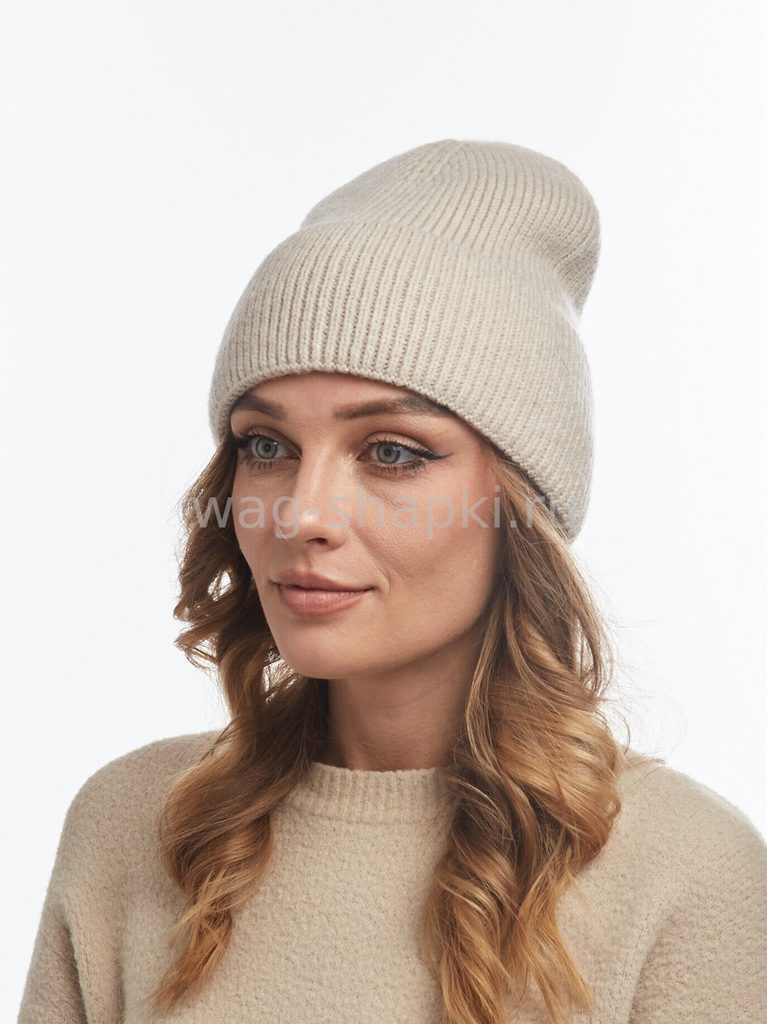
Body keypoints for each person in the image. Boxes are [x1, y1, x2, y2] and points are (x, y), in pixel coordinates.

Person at [18, 139, 767, 1024]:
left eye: (392, 453)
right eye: (266, 444)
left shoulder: (682, 877)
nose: (301, 513)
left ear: (519, 504)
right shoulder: (133, 827)